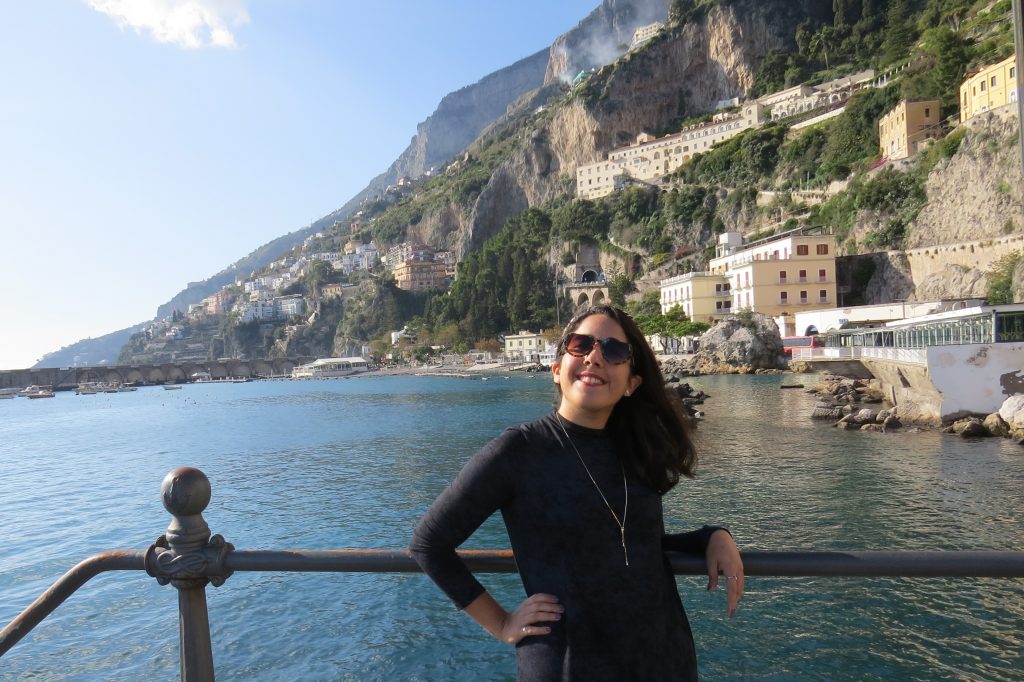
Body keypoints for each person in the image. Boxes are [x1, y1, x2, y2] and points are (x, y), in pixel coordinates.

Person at [410, 305, 743, 680]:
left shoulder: (636, 452)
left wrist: (711, 537)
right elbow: (429, 544)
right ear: (556, 370)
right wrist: (501, 623)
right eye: (580, 344)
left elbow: (636, 546)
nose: (594, 356)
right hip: (568, 667)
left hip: (664, 661)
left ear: (632, 383)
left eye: (614, 351)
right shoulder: (519, 451)